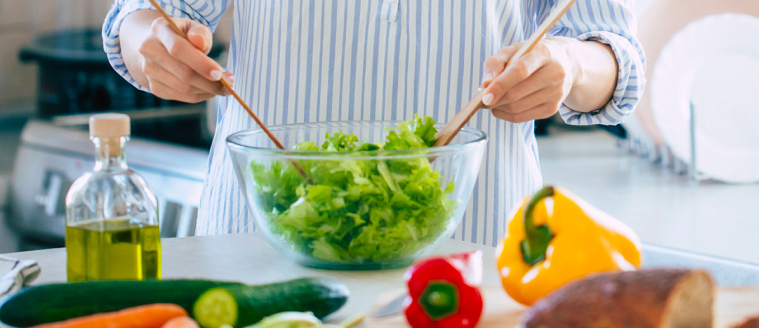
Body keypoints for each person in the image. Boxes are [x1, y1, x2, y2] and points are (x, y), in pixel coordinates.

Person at [103, 0, 644, 245]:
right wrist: (151, 42)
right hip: (260, 242)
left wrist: (571, 65)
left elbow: (616, 56)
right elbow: (142, 17)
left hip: (476, 249)